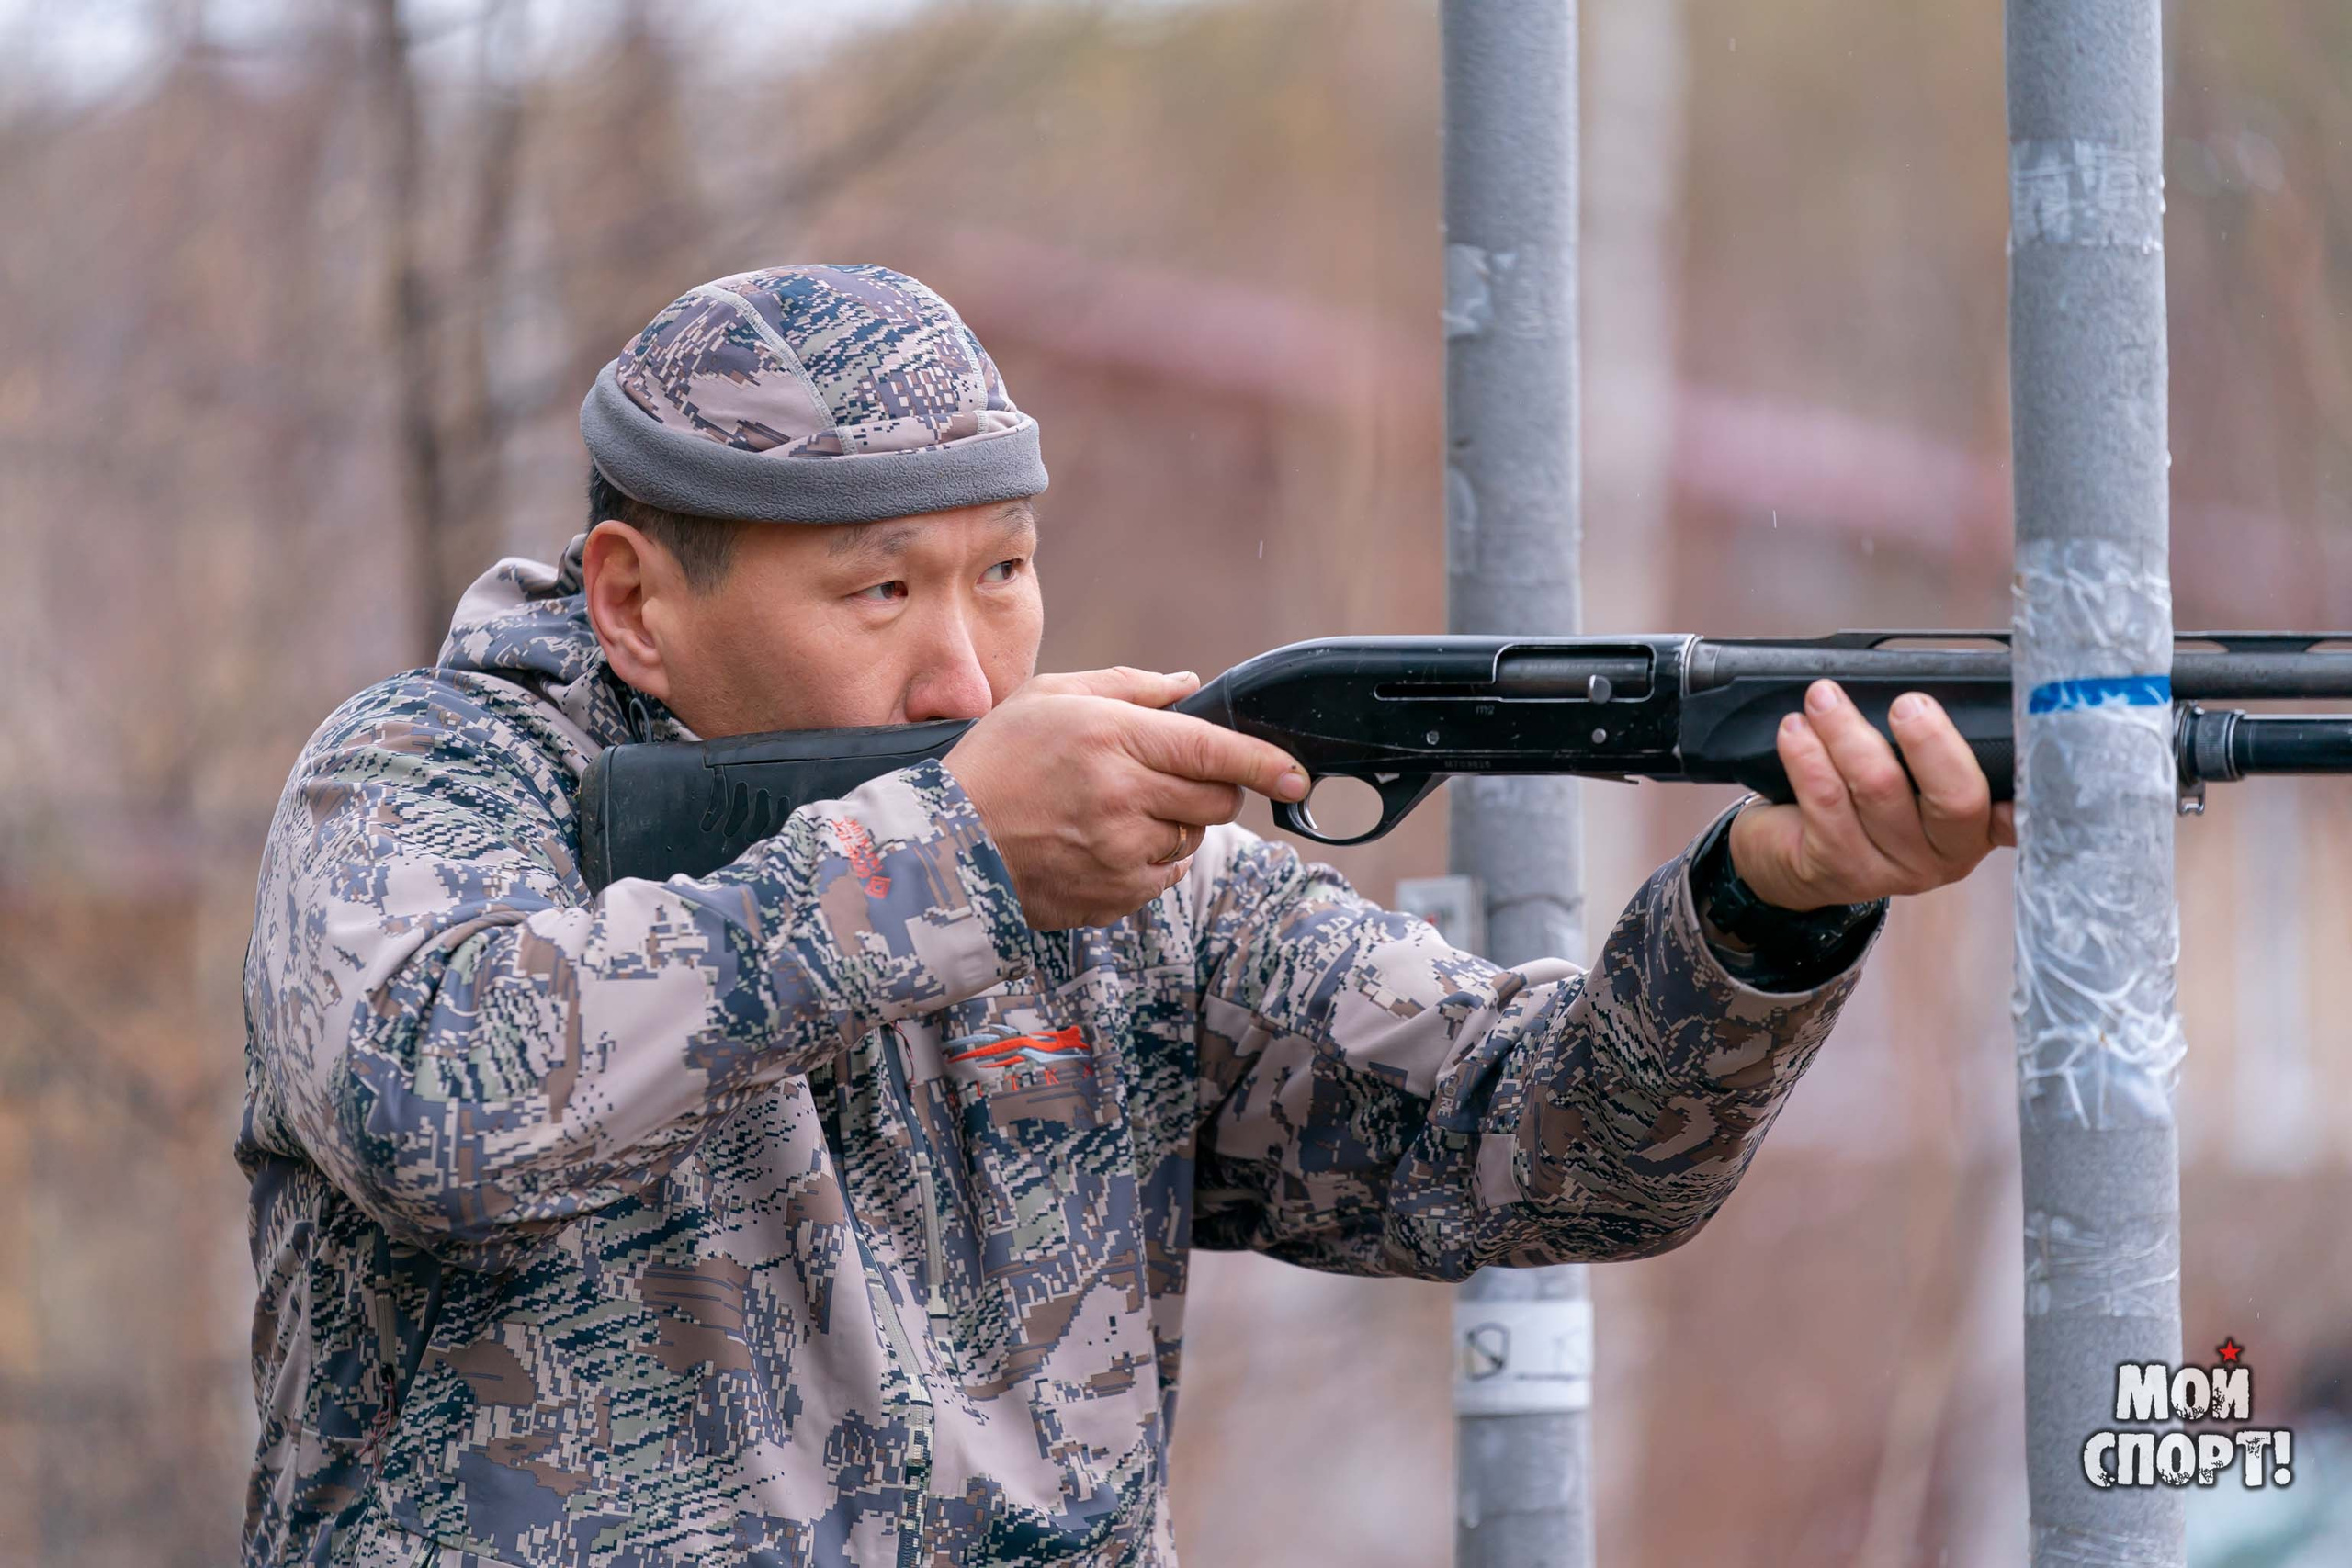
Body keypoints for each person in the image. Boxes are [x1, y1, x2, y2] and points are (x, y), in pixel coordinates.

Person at [239, 264, 2012, 1566]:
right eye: (879, 590)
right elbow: (435, 1100)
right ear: (633, 602)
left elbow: (1537, 1146)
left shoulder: (1112, 856)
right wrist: (948, 864)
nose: (963, 669)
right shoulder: (435, 782)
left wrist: (1765, 913)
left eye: (1002, 571)